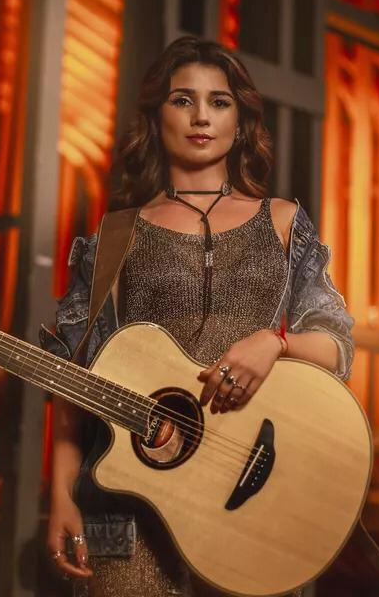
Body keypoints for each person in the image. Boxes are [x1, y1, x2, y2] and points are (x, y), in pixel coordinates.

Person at [38, 36, 355, 597]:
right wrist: (61, 493)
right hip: (131, 499)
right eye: (183, 100)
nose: (202, 116)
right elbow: (73, 380)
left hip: (253, 496)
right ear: (156, 115)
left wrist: (275, 342)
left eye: (220, 101)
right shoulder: (115, 235)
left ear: (241, 119)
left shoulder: (283, 222)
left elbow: (335, 344)